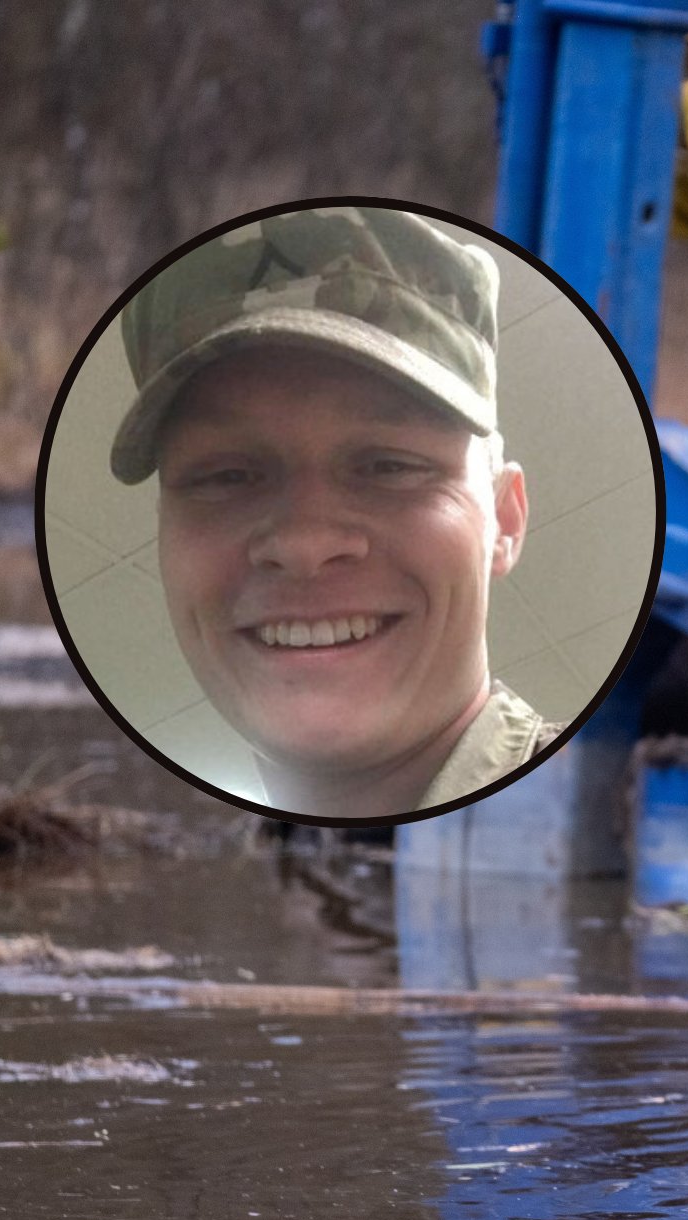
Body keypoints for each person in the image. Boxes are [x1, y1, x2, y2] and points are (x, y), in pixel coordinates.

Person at [109, 205, 562, 819]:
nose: (305, 542)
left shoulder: (615, 812)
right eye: (227, 476)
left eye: (390, 467)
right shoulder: (173, 855)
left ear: (505, 521)